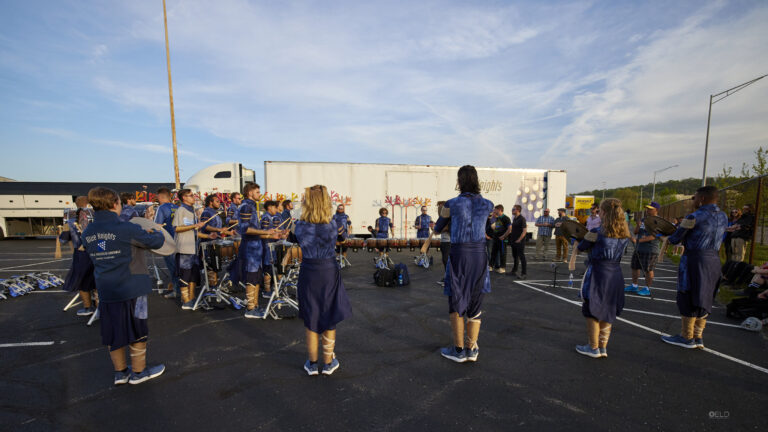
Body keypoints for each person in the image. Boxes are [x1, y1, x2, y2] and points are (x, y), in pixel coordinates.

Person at [81, 187, 166, 385]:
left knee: (113, 331)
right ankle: (138, 372)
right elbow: (155, 241)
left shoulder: (88, 231)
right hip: (132, 286)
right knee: (138, 329)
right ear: (115, 204)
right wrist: (156, 231)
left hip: (106, 289)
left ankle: (120, 373)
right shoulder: (126, 227)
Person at [433, 166, 494, 363]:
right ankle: (471, 348)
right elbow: (488, 229)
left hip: (459, 254)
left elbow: (437, 228)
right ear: (477, 180)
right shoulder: (488, 204)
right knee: (476, 301)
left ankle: (458, 350)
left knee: (457, 298)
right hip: (480, 254)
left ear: (459, 182)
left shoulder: (452, 203)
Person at [293, 185, 352, 376]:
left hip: (309, 271)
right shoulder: (334, 224)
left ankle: (312, 364)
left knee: (311, 316)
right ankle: (328, 363)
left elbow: (293, 239)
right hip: (328, 271)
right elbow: (343, 239)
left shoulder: (299, 225)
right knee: (328, 314)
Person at [662, 186, 727, 349]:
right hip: (714, 260)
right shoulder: (724, 216)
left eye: (695, 197)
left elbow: (676, 238)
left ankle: (686, 337)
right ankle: (698, 336)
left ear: (702, 199)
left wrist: (662, 235)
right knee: (705, 296)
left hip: (695, 259)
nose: (694, 200)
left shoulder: (694, 216)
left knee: (688, 295)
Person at [574, 198, 631, 358]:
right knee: (609, 308)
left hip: (598, 273)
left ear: (604, 212)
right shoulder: (625, 234)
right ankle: (603, 347)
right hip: (615, 273)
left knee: (592, 309)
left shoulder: (596, 232)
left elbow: (581, 247)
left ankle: (593, 347)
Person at [237, 183, 280, 318]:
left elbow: (256, 232)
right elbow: (244, 229)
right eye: (257, 192)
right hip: (250, 249)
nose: (259, 194)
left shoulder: (251, 206)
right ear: (250, 193)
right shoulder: (245, 206)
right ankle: (250, 309)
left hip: (256, 249)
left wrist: (270, 235)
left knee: (256, 278)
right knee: (251, 278)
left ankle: (255, 305)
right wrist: (265, 231)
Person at [173, 189, 214, 310]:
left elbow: (194, 232)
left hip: (193, 248)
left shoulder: (192, 211)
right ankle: (186, 301)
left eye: (193, 195)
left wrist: (208, 236)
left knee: (192, 275)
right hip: (184, 248)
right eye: (190, 196)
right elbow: (176, 228)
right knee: (184, 275)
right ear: (184, 198)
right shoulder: (181, 210)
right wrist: (195, 225)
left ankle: (191, 298)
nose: (193, 197)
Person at [59, 196, 97, 316]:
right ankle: (99, 307)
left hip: (81, 254)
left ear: (76, 204)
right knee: (97, 280)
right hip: (97, 252)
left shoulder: (70, 220)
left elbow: (63, 240)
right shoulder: (97, 217)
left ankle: (87, 308)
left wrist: (60, 233)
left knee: (83, 281)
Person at [625, 202, 661, 297]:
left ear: (656, 210)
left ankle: (647, 288)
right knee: (634, 267)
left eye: (650, 209)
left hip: (650, 249)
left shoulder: (658, 221)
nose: (647, 210)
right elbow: (636, 231)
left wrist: (638, 240)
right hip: (639, 248)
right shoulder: (644, 219)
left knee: (648, 269)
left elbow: (654, 236)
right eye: (647, 208)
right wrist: (638, 225)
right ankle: (634, 285)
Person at [154, 187, 179, 299]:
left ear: (161, 196)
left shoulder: (162, 207)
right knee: (179, 267)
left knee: (173, 268)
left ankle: (177, 291)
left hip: (169, 242)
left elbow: (157, 226)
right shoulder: (178, 207)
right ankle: (182, 290)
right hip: (180, 241)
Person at [200, 194, 231, 286]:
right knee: (211, 265)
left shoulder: (215, 213)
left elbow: (220, 229)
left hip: (215, 241)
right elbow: (204, 226)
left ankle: (214, 287)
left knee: (216, 265)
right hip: (208, 242)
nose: (219, 203)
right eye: (217, 201)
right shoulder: (206, 212)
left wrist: (230, 233)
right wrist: (218, 230)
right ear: (210, 202)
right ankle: (210, 290)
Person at [260, 200, 283, 297]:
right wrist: (274, 235)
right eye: (275, 207)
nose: (276, 209)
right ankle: (266, 290)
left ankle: (270, 288)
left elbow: (273, 231)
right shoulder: (266, 217)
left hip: (272, 245)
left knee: (271, 266)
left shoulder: (271, 217)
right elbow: (264, 233)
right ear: (269, 207)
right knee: (268, 268)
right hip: (267, 246)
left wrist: (281, 232)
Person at [488, 205, 511, 273]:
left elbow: (510, 229)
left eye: (495, 210)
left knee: (502, 253)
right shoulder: (498, 218)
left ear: (499, 210)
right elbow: (496, 228)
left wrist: (503, 236)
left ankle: (502, 268)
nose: (494, 211)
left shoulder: (506, 218)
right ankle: (491, 266)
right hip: (496, 239)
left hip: (502, 240)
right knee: (493, 253)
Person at [435, 200, 451, 286]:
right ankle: (446, 277)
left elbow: (447, 228)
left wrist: (439, 229)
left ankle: (448, 279)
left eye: (441, 206)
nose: (439, 208)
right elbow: (437, 230)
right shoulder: (441, 218)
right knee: (445, 261)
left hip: (449, 241)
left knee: (447, 261)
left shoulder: (449, 217)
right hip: (444, 241)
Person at [509, 204, 527, 279]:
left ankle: (524, 273)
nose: (512, 210)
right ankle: (514, 270)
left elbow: (524, 231)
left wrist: (519, 240)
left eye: (514, 209)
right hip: (513, 241)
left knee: (521, 257)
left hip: (519, 242)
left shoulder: (522, 219)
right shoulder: (515, 218)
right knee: (515, 256)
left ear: (518, 210)